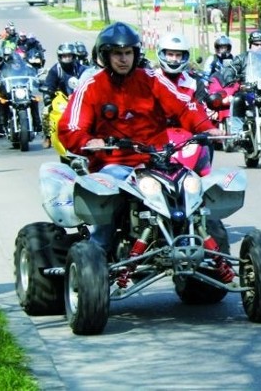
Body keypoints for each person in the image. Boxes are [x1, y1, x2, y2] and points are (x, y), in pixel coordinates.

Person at [57, 22, 231, 284]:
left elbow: (185, 107)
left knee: (193, 193)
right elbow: (70, 126)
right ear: (105, 55)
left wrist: (208, 128)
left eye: (128, 53)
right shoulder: (92, 85)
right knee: (108, 201)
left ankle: (205, 250)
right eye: (118, 54)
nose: (124, 59)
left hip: (157, 161)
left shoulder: (151, 80)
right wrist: (87, 141)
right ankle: (96, 257)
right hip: (114, 163)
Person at [40, 42, 87, 148]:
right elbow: (49, 84)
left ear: (74, 56)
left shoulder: (82, 69)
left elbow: (89, 80)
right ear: (60, 57)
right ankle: (47, 136)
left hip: (79, 97)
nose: (67, 59)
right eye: (64, 56)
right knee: (45, 111)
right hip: (61, 99)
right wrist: (48, 92)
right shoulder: (55, 70)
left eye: (69, 56)